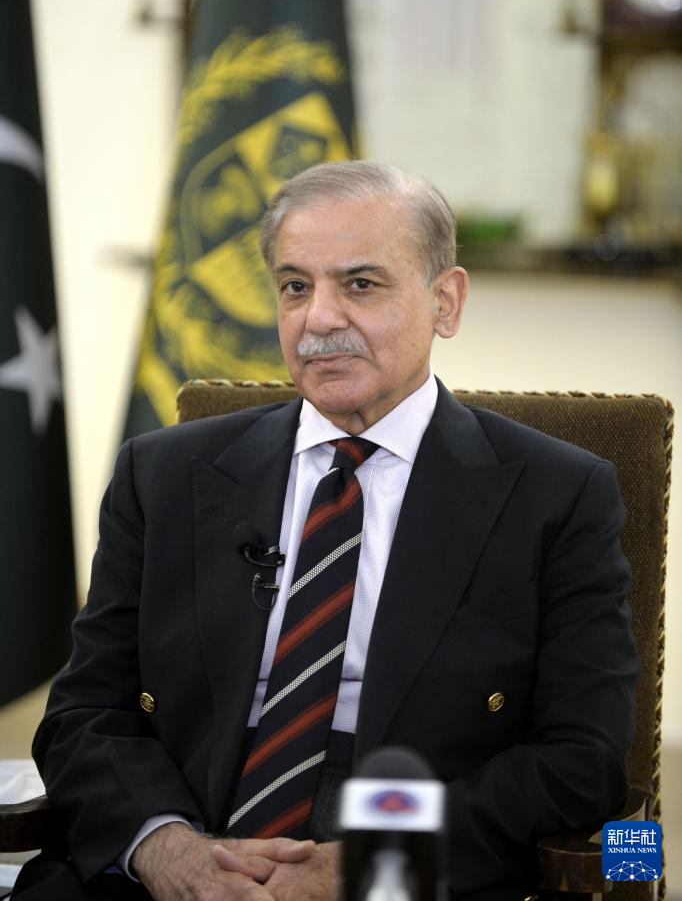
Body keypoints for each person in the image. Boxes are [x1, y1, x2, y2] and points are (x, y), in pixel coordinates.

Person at [13, 161, 639, 901]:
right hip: (186, 828)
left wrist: (366, 865)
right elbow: (84, 713)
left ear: (445, 302)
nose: (318, 319)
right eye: (295, 286)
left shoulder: (556, 494)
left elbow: (584, 758)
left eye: (361, 284)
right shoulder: (165, 475)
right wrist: (166, 850)